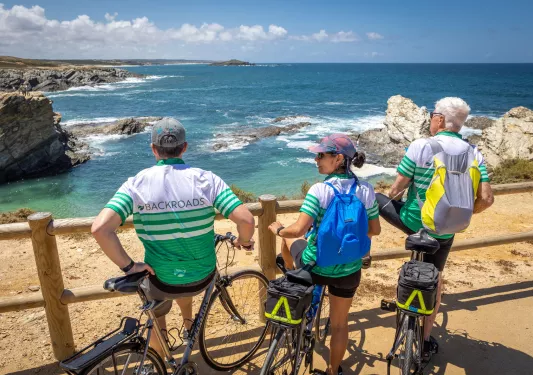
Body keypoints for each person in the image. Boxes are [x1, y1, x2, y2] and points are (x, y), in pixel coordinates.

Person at [91, 117, 255, 357]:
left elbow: (100, 229)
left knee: (157, 310)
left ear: (153, 149)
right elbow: (247, 220)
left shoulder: (136, 184)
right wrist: (243, 240)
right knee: (186, 285)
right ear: (184, 147)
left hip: (162, 279)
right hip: (202, 277)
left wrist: (129, 266)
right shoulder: (208, 180)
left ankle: (159, 357)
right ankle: (189, 329)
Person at [377, 97, 494, 360]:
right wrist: (458, 214)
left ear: (440, 119)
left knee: (375, 198)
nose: (430, 118)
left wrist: (388, 199)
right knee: (436, 281)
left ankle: (363, 250)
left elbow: (396, 189)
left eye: (432, 115)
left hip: (415, 225)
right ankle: (426, 339)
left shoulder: (422, 145)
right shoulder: (474, 152)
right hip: (447, 230)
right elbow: (486, 199)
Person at [268, 133, 381, 375]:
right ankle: (332, 370)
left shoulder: (320, 190)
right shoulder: (366, 190)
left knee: (290, 240)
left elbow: (299, 229)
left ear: (338, 159)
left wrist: (278, 230)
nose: (316, 159)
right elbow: (374, 230)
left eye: (321, 155)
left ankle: (290, 274)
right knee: (340, 324)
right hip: (349, 269)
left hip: (315, 267)